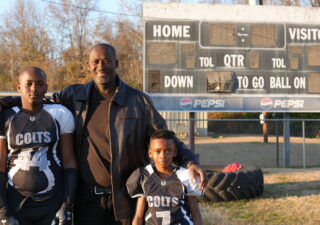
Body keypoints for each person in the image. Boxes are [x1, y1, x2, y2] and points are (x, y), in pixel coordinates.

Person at [0, 43, 206, 225]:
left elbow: (166, 137)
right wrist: (5, 103)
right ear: (88, 65)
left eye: (106, 61)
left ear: (116, 63)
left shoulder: (138, 101)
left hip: (125, 197)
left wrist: (190, 162)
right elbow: (35, 98)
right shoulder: (73, 95)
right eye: (95, 61)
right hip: (86, 198)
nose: (101, 66)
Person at [0, 67, 78, 225]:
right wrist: (2, 210)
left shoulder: (60, 114)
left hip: (52, 201)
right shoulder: (6, 117)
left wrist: (66, 203)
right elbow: (0, 166)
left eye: (39, 84)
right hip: (17, 202)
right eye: (28, 84)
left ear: (46, 88)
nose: (34, 88)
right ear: (19, 87)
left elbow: (69, 161)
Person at [126, 130, 202, 225]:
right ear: (150, 153)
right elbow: (138, 216)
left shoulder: (185, 176)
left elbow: (195, 214)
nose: (163, 156)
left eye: (168, 151)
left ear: (175, 153)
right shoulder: (143, 176)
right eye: (158, 151)